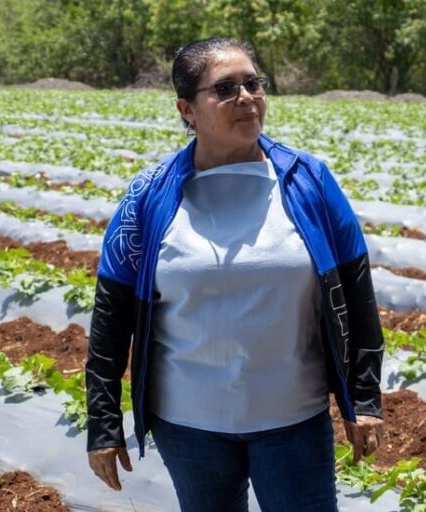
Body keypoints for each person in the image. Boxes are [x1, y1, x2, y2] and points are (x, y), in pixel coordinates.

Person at [85, 37, 385, 512]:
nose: (246, 97)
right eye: (225, 88)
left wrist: (363, 401)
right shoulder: (148, 196)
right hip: (189, 428)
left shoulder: (309, 181)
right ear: (187, 109)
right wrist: (103, 425)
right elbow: (110, 317)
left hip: (294, 421)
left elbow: (357, 293)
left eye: (253, 83)